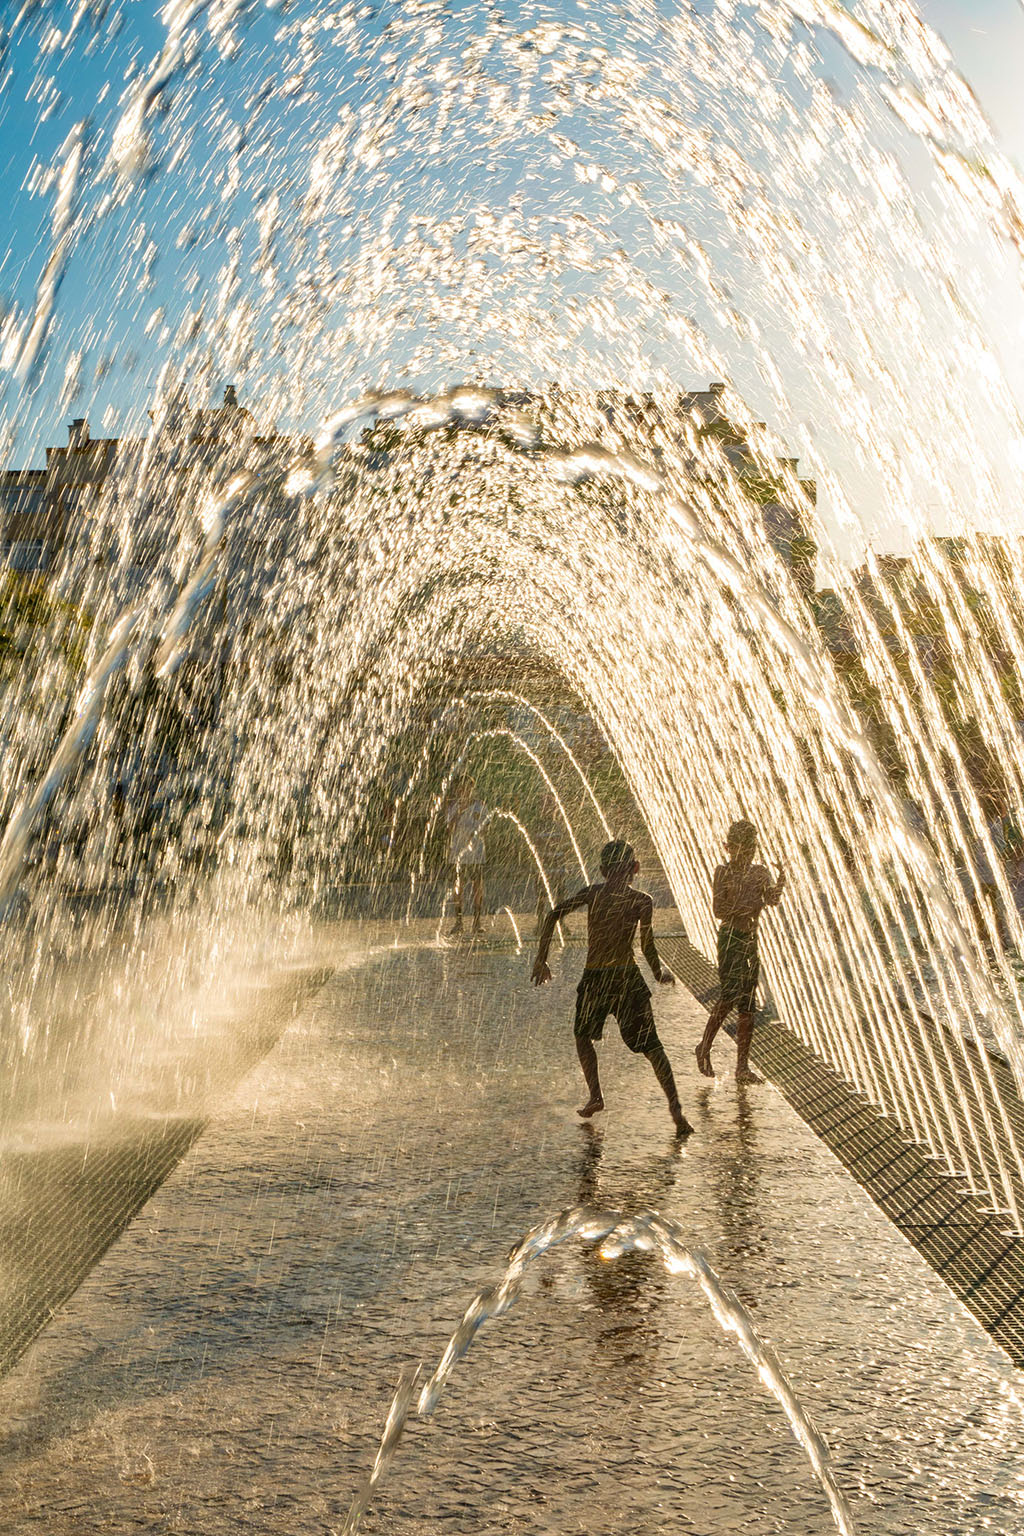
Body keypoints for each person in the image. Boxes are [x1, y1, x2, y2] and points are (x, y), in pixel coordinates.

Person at [531, 838, 692, 1136]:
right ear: (635, 868)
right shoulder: (642, 900)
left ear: (603, 870)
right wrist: (657, 974)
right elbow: (646, 946)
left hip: (597, 979)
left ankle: (596, 1095)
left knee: (583, 1037)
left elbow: (553, 915)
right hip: (627, 979)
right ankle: (676, 1112)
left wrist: (542, 960)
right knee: (652, 1047)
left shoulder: (594, 894)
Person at [695, 819, 784, 1083]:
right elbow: (718, 911)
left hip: (749, 940)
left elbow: (772, 900)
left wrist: (782, 878)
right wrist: (746, 908)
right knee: (729, 995)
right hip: (730, 938)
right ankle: (704, 1046)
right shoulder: (722, 872)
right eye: (741, 848)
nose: (747, 854)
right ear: (730, 847)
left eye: (751, 848)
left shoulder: (760, 872)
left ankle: (742, 1068)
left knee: (747, 1004)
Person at [446, 776, 489, 936]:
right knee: (459, 887)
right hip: (458, 854)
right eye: (462, 788)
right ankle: (459, 922)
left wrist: (475, 831)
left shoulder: (480, 807)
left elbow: (485, 829)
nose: (465, 791)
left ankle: (477, 922)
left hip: (476, 854)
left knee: (477, 887)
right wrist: (458, 814)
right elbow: (449, 830)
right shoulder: (453, 807)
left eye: (468, 788)